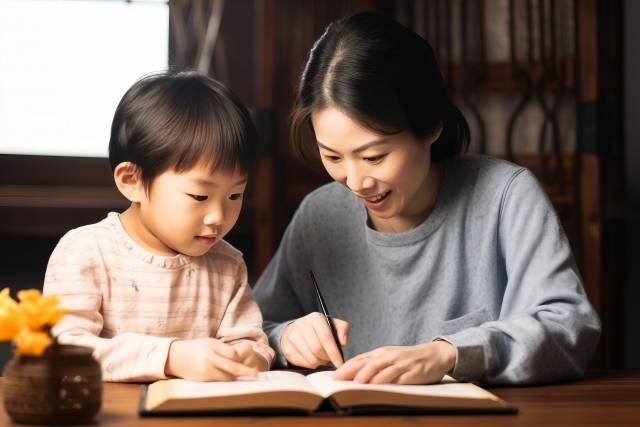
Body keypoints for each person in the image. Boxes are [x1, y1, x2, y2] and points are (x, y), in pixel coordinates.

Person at [253, 13, 601, 386]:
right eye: (333, 157)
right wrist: (285, 338)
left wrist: (448, 353)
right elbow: (248, 328)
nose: (355, 182)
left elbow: (569, 328)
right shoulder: (319, 215)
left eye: (374, 157)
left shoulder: (506, 196)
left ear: (432, 125)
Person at [43, 71, 274, 382]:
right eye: (200, 195)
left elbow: (250, 342)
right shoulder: (85, 252)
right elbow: (63, 352)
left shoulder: (227, 264)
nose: (218, 216)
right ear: (133, 181)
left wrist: (250, 357)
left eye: (235, 195)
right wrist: (170, 357)